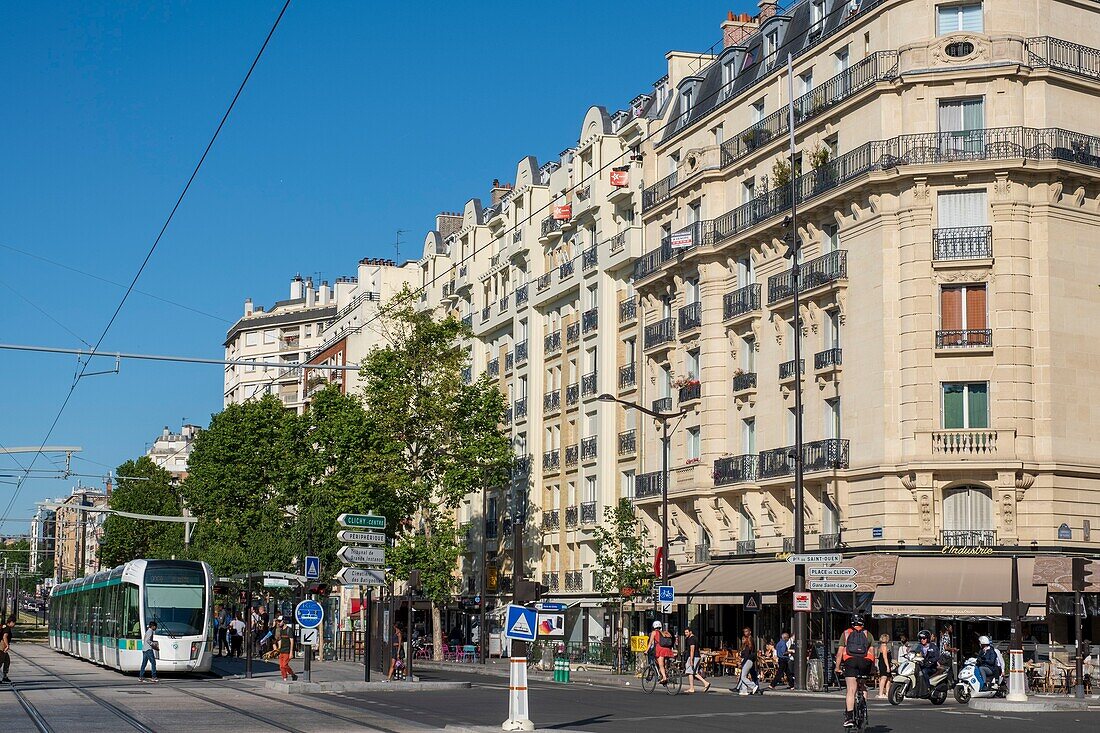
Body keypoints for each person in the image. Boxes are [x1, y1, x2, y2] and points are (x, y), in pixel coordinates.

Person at [834, 614, 875, 727]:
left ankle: (849, 718)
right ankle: (863, 706)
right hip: (865, 662)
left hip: (850, 661)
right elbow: (872, 653)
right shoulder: (868, 634)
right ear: (863, 623)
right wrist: (872, 668)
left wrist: (837, 667)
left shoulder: (846, 633)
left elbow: (839, 654)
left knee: (851, 690)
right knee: (862, 685)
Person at [683, 627, 711, 693]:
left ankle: (691, 688)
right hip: (697, 656)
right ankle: (706, 683)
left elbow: (692, 650)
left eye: (687, 632)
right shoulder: (695, 638)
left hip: (693, 657)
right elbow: (698, 649)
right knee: (694, 672)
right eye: (685, 633)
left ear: (690, 632)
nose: (685, 634)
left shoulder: (691, 639)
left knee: (689, 672)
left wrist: (691, 660)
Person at [737, 627, 761, 695]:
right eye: (744, 632)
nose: (745, 633)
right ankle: (744, 690)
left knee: (743, 676)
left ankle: (753, 686)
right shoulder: (747, 641)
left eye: (747, 631)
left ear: (750, 632)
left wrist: (742, 662)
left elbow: (747, 653)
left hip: (748, 660)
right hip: (749, 660)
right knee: (745, 675)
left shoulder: (750, 640)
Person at [915, 629, 940, 696]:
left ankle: (928, 688)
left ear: (928, 639)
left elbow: (937, 656)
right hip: (921, 665)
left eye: (924, 638)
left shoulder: (933, 647)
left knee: (924, 671)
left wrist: (930, 662)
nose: (922, 640)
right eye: (921, 638)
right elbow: (914, 652)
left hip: (931, 667)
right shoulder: (919, 646)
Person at [876, 633, 892, 698]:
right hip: (884, 664)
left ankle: (887, 692)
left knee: (888, 678)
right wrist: (888, 666)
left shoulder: (880, 647)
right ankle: (881, 693)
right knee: (884, 678)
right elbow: (885, 657)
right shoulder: (884, 647)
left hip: (882, 663)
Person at [1, 615, 15, 683]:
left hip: (2, 644)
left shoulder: (5, 627)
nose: (14, 625)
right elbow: (5, 637)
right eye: (14, 623)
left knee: (7, 660)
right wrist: (7, 646)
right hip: (2, 645)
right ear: (11, 622)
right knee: (0, 661)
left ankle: (5, 676)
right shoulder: (7, 628)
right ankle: (4, 676)